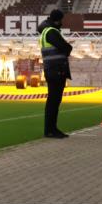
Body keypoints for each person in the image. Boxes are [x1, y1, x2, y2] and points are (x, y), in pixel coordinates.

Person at [38, 9, 73, 138]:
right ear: (58, 20)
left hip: (51, 69)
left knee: (52, 101)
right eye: (61, 20)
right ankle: (51, 130)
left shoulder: (45, 32)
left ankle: (50, 129)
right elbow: (66, 48)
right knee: (54, 101)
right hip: (56, 70)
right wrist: (68, 47)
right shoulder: (52, 32)